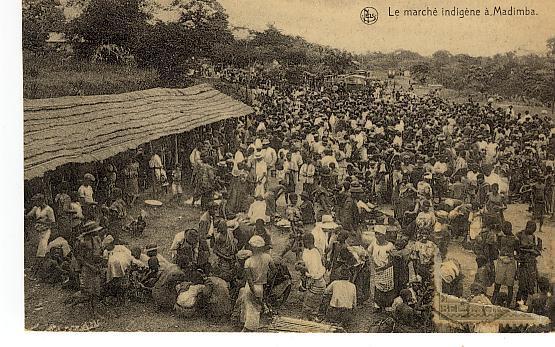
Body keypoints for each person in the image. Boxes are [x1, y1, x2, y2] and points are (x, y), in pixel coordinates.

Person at [235, 235, 274, 331]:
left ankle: (246, 329)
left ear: (252, 247)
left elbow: (249, 279)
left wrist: (253, 291)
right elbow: (274, 270)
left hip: (250, 287)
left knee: (250, 308)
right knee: (254, 309)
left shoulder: (248, 261)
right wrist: (267, 276)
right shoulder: (267, 257)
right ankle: (247, 327)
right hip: (260, 286)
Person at [72, 221, 104, 318]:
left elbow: (98, 253)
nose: (97, 232)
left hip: (96, 266)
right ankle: (81, 306)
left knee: (96, 290)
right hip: (87, 267)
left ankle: (94, 311)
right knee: (88, 291)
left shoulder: (97, 239)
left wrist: (100, 263)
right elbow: (80, 258)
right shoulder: (82, 243)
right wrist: (91, 267)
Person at [26, 193, 56, 277]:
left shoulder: (49, 209)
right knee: (37, 250)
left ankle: (36, 273)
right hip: (38, 231)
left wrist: (41, 221)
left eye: (37, 201)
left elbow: (53, 223)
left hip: (46, 232)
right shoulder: (37, 208)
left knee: (41, 251)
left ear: (41, 200)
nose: (35, 203)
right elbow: (28, 216)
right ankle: (39, 270)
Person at [300, 233, 327, 321]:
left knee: (309, 306)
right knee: (311, 306)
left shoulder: (314, 253)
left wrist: (302, 268)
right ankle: (311, 320)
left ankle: (310, 321)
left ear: (307, 242)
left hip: (316, 282)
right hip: (316, 281)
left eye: (304, 241)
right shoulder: (310, 251)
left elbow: (313, 272)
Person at [369, 225, 396, 310]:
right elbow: (369, 252)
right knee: (378, 286)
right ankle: (378, 305)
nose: (377, 236)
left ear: (384, 235)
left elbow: (392, 259)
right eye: (376, 234)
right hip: (377, 268)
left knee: (388, 286)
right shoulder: (373, 243)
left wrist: (384, 267)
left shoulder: (389, 245)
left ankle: (387, 304)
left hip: (387, 269)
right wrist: (373, 264)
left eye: (379, 234)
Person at [492, 221, 518, 307]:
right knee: (498, 283)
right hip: (504, 260)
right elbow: (497, 247)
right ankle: (495, 301)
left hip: (509, 261)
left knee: (509, 285)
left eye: (506, 228)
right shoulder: (500, 237)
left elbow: (517, 250)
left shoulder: (514, 239)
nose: (504, 230)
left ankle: (506, 303)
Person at [516, 221, 542, 303]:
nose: (532, 232)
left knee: (530, 284)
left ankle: (525, 302)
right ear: (527, 227)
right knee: (522, 284)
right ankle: (519, 302)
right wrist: (529, 250)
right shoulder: (519, 235)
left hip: (531, 263)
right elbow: (517, 248)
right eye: (531, 229)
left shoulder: (533, 236)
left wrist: (539, 246)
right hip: (523, 263)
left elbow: (536, 251)